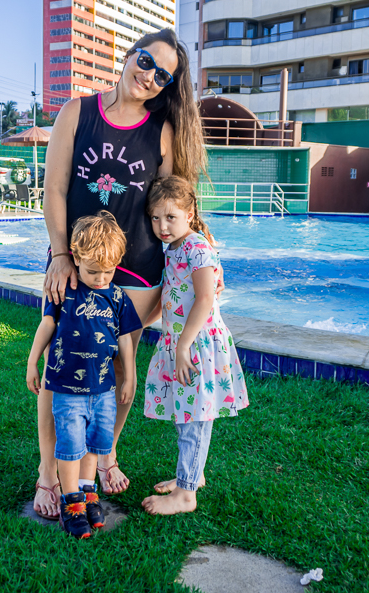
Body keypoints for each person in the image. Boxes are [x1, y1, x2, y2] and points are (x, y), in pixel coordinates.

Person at [32, 28, 207, 518]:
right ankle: (49, 473)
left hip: (139, 267)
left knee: (117, 369)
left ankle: (105, 453)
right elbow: (55, 190)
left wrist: (202, 254)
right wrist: (61, 255)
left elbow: (175, 202)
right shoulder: (77, 112)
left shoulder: (163, 132)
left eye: (162, 75)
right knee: (61, 367)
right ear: (130, 55)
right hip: (77, 259)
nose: (149, 76)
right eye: (146, 61)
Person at [26, 212, 142, 538]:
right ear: (75, 259)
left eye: (109, 271)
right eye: (93, 271)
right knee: (70, 445)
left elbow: (125, 341)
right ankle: (71, 503)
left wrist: (130, 377)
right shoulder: (64, 291)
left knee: (94, 444)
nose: (101, 278)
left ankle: (88, 493)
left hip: (102, 390)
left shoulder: (117, 298)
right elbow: (46, 325)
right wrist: (33, 362)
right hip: (66, 389)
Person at [140, 176, 249, 516]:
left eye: (170, 217)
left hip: (196, 345)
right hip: (183, 342)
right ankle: (191, 476)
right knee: (186, 416)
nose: (162, 226)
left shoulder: (196, 248)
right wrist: (141, 325)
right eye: (156, 218)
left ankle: (186, 495)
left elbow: (205, 299)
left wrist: (182, 346)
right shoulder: (175, 248)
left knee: (193, 420)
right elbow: (170, 295)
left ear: (189, 214)